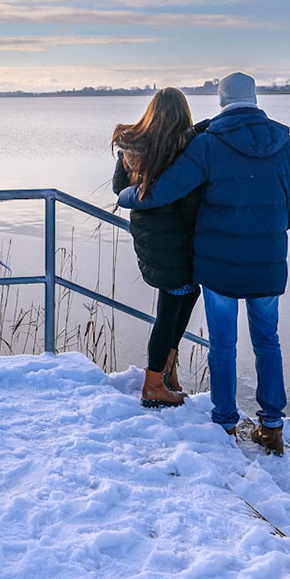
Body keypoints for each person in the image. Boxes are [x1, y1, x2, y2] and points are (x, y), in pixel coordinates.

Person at [117, 72, 290, 454]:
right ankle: (272, 427)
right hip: (268, 262)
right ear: (255, 99)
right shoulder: (287, 143)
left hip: (218, 264)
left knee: (223, 344)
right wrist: (270, 229)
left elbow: (162, 192)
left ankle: (225, 422)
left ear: (222, 101)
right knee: (267, 342)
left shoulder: (209, 144)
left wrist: (126, 196)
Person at [111, 88, 208, 408]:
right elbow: (188, 202)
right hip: (175, 241)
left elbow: (118, 188)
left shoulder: (134, 145)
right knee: (170, 310)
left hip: (149, 238)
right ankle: (154, 383)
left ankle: (166, 371)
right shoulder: (180, 150)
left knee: (184, 297)